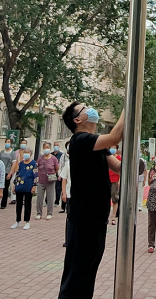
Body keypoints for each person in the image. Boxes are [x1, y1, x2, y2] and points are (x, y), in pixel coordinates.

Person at [58, 102, 124, 299]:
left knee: (88, 273)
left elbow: (117, 166)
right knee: (77, 274)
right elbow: (114, 137)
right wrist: (127, 106)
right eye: (84, 108)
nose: (91, 108)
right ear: (77, 120)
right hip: (83, 218)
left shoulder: (96, 144)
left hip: (96, 217)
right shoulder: (80, 139)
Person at [12, 146, 37, 229]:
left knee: (27, 204)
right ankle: (17, 221)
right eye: (25, 153)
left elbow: (36, 176)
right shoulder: (21, 164)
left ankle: (27, 221)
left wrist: (34, 186)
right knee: (18, 204)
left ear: (30, 154)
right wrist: (14, 185)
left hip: (28, 186)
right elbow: (17, 174)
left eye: (27, 153)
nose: (26, 154)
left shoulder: (34, 164)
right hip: (19, 186)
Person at [36, 141, 60, 220]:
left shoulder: (53, 158)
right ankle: (39, 213)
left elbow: (57, 168)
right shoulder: (40, 158)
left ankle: (49, 213)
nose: (46, 149)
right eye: (45, 148)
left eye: (48, 148)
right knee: (39, 197)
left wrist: (53, 174)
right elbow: (37, 167)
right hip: (41, 181)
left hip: (50, 181)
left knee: (50, 197)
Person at [0, 138, 16, 209]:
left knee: (5, 188)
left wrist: (10, 173)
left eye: (9, 142)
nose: (7, 143)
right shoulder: (2, 152)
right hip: (0, 172)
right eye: (6, 142)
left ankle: (3, 204)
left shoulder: (13, 153)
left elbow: (14, 163)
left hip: (7, 172)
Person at [108, 146, 122, 225]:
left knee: (115, 198)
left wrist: (119, 180)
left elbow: (120, 170)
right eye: (111, 147)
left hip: (115, 180)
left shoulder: (119, 158)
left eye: (114, 147)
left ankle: (113, 216)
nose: (112, 149)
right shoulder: (107, 157)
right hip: (107, 179)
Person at [52, 140, 65, 208]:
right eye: (55, 145)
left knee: (58, 188)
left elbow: (61, 164)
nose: (56, 147)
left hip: (58, 173)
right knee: (50, 188)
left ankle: (57, 201)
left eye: (57, 145)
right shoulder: (51, 154)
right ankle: (47, 201)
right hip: (51, 173)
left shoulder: (61, 154)